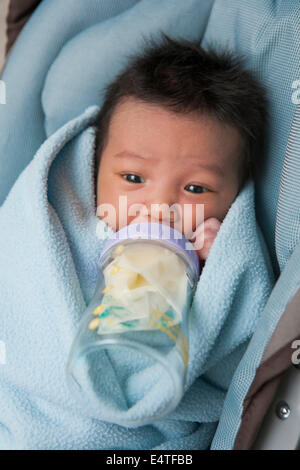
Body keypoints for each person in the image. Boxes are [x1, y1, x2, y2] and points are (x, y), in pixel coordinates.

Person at [94, 34, 267, 261]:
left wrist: (220, 259)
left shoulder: (218, 254)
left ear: (236, 197)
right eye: (133, 178)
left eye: (195, 188)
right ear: (95, 166)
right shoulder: (65, 227)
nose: (159, 209)